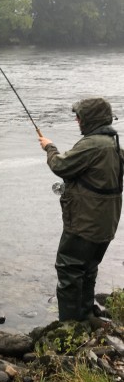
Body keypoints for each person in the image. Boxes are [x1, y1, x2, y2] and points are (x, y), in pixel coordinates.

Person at [38, 97, 123, 321]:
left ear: (90, 120)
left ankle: (70, 326)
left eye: (79, 117)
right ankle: (85, 316)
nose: (77, 120)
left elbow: (60, 165)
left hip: (84, 223)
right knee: (88, 269)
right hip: (106, 225)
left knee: (69, 270)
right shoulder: (114, 145)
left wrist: (49, 147)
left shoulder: (93, 144)